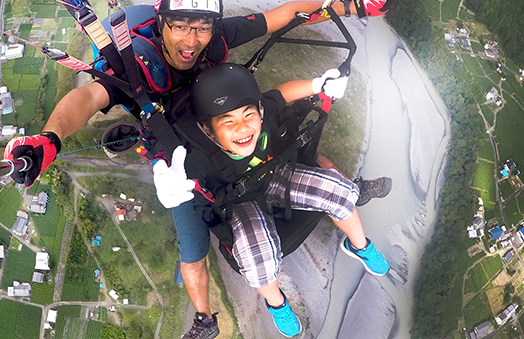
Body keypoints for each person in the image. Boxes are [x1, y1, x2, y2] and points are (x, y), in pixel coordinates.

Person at [4, 0, 404, 339]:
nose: (192, 40)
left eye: (201, 27)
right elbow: (88, 96)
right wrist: (50, 139)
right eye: (179, 27)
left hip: (234, 131)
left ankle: (349, 200)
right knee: (193, 250)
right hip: (181, 162)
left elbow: (285, 15)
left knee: (315, 162)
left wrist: (356, 7)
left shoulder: (214, 36)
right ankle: (205, 319)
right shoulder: (133, 66)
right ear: (161, 23)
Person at [154, 63, 389, 337]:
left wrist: (318, 85)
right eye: (228, 122)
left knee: (342, 192)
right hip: (238, 202)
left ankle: (359, 246)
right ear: (209, 131)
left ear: (259, 111)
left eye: (247, 115)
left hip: (277, 176)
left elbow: (281, 94)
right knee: (257, 261)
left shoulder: (266, 114)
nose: (242, 128)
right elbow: (181, 170)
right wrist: (171, 178)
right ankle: (277, 304)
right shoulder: (201, 156)